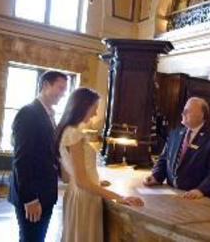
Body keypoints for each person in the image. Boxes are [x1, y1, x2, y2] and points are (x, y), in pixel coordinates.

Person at [55, 88, 144, 242]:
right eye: (94, 109)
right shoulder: (74, 133)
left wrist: (95, 180)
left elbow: (70, 172)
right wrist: (120, 197)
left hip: (77, 193)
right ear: (83, 106)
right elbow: (82, 181)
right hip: (84, 196)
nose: (95, 114)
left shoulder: (67, 130)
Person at [8, 71, 68, 242]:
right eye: (60, 88)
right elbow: (22, 160)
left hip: (46, 192)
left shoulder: (49, 113)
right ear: (45, 85)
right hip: (33, 194)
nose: (63, 93)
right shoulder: (29, 113)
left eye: (65, 89)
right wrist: (30, 199)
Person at [143, 97, 210, 199]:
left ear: (201, 115)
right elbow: (164, 159)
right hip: (172, 196)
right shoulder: (175, 134)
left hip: (199, 199)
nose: (183, 113)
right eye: (184, 110)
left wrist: (201, 190)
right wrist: (156, 176)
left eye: (188, 110)